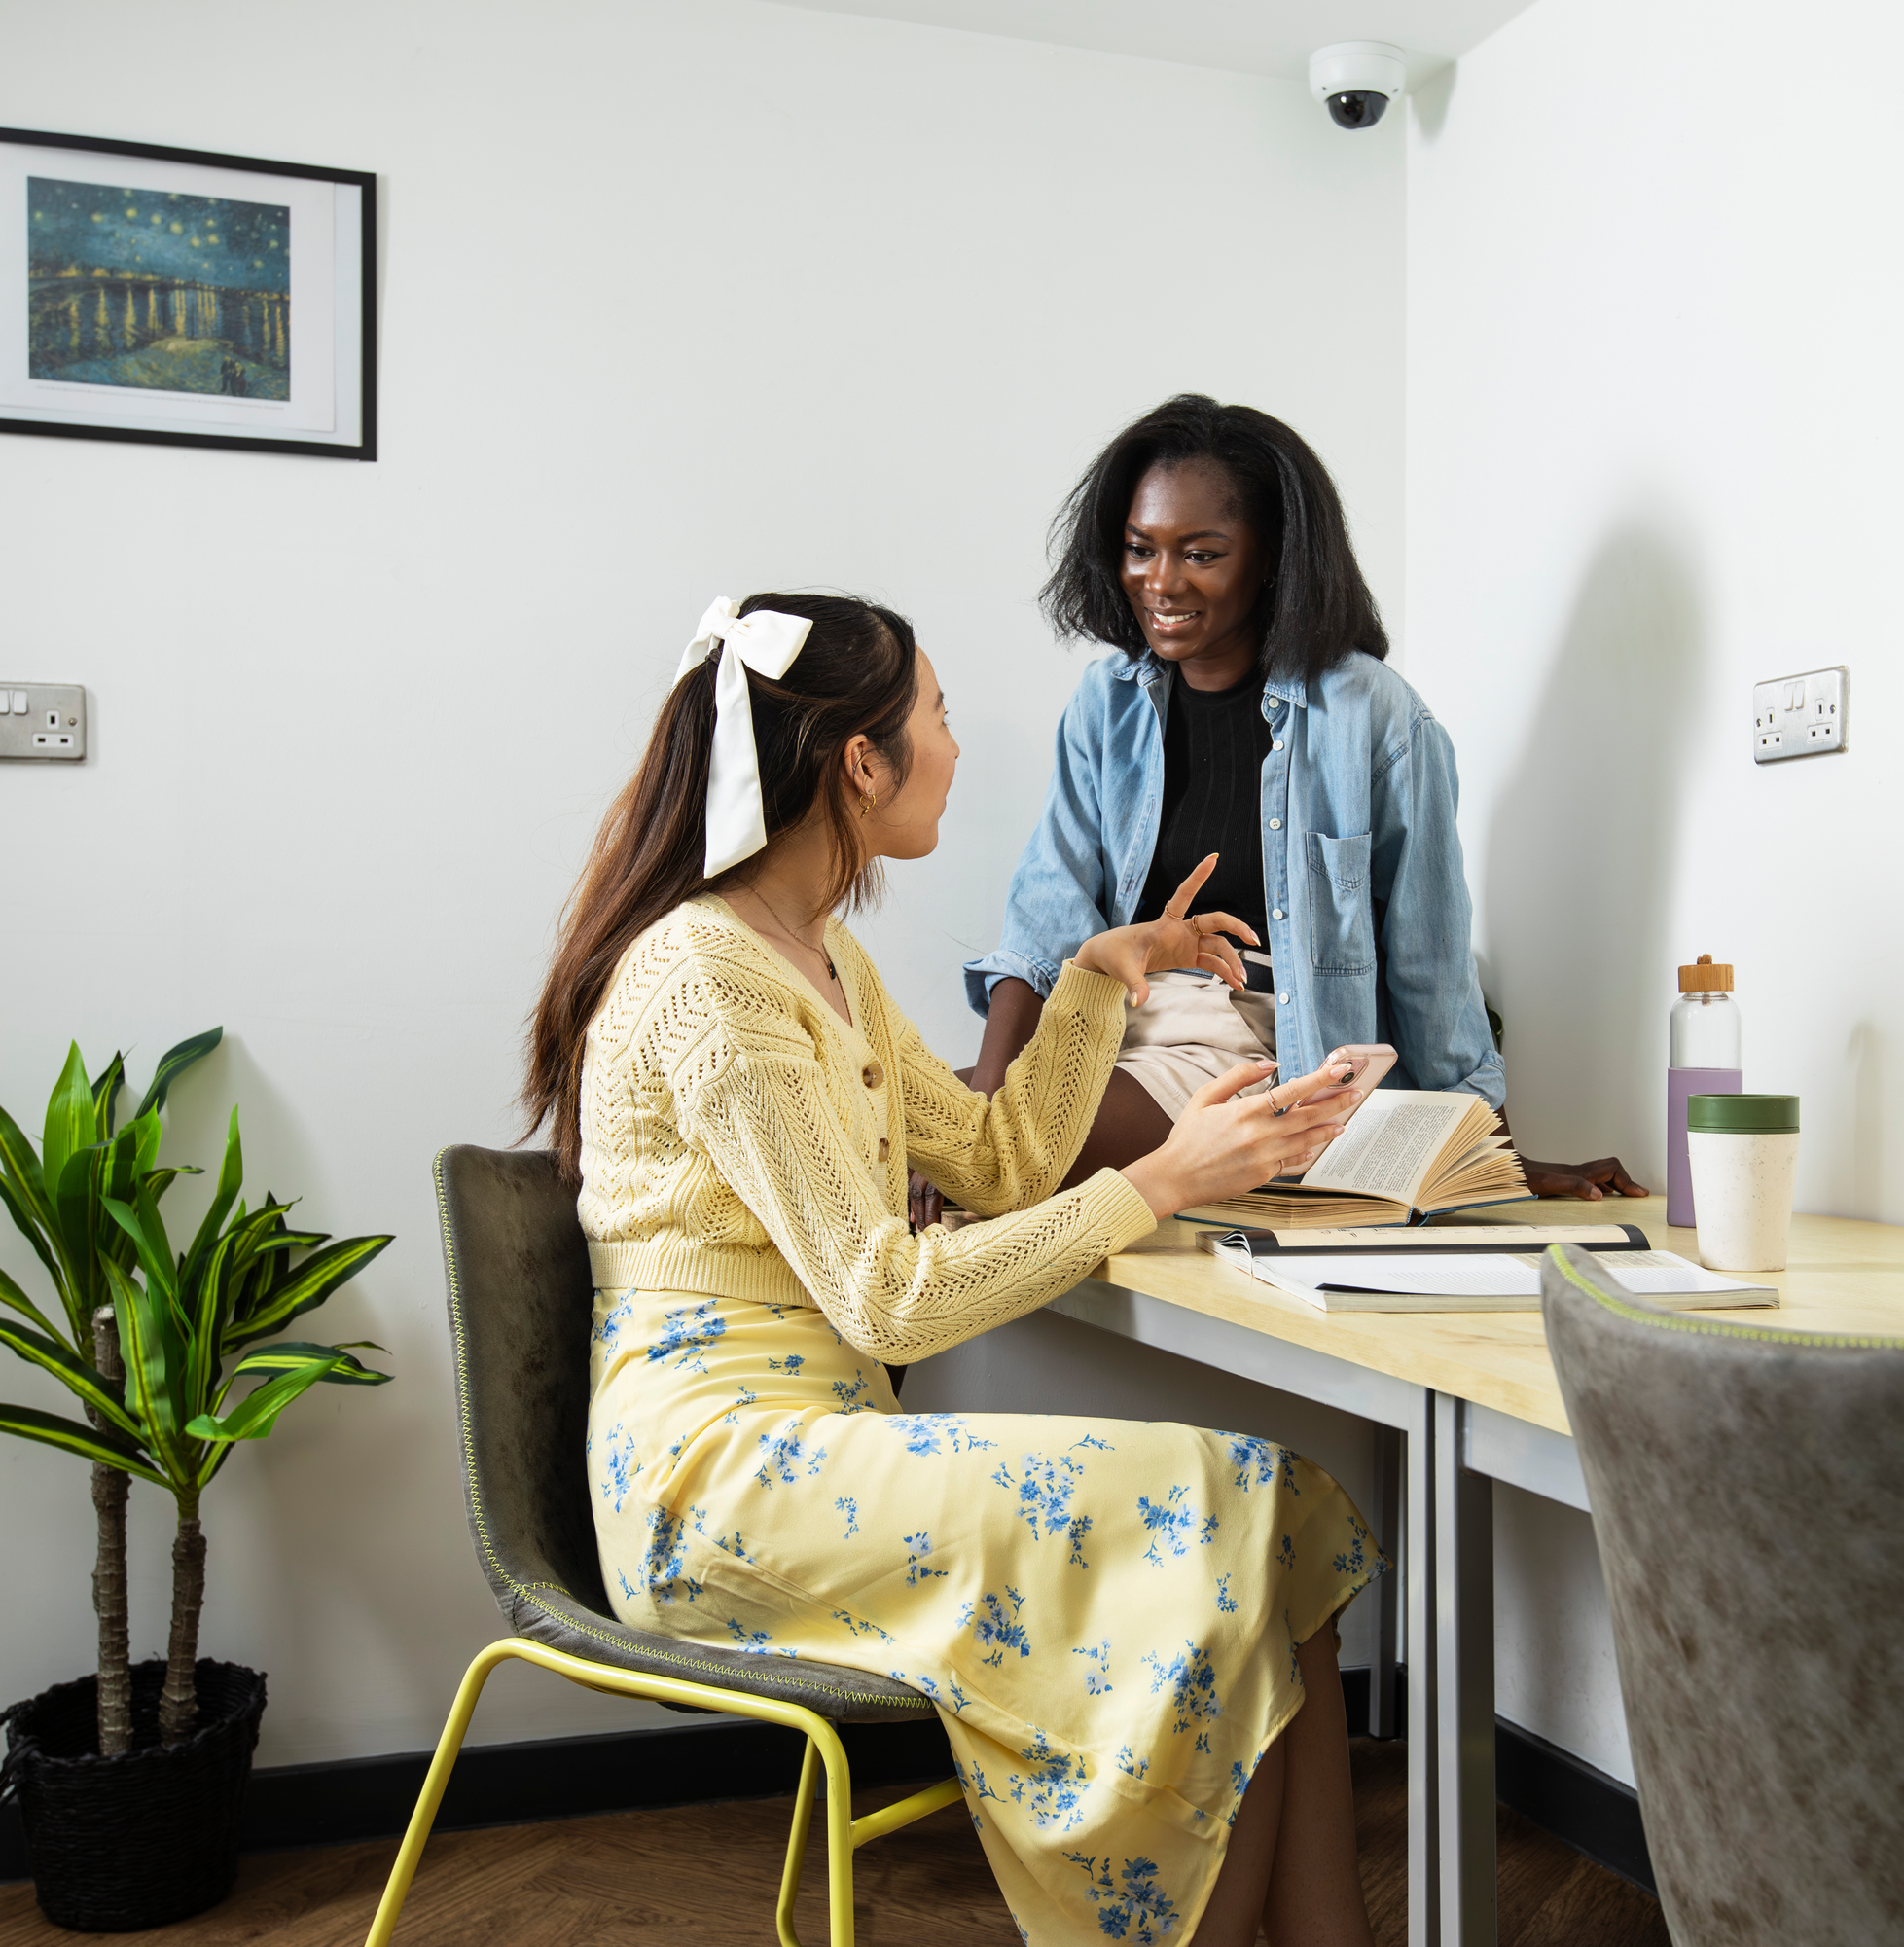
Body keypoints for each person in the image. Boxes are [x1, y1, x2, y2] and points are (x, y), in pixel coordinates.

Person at [524, 591, 1386, 1946]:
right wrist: (1160, 1179)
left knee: (1277, 1515)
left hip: (816, 1444)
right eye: (938, 716)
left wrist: (1100, 975)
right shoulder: (709, 973)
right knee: (1216, 1497)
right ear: (859, 762)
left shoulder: (823, 961)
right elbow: (886, 1294)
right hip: (716, 1483)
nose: (957, 746)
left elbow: (997, 1157)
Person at [957, 394, 1640, 1205]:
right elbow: (1043, 918)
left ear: (1272, 557)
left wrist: (1486, 1156)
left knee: (1006, 1153)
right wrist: (982, 1109)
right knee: (893, 1128)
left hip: (1253, 1046)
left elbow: (1430, 960)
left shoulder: (1377, 717)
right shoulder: (1105, 703)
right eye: (1140, 548)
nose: (1160, 581)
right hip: (1105, 1035)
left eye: (1201, 553)